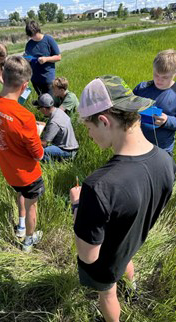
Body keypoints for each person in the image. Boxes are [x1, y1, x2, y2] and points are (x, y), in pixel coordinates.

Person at [70, 75, 175, 322]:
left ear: (104, 121)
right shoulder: (165, 160)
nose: (89, 135)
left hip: (108, 258)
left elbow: (88, 256)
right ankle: (133, 288)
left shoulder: (99, 187)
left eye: (88, 127)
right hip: (132, 241)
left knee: (106, 293)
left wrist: (77, 204)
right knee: (126, 258)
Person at [0, 55, 44, 252]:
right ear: (24, 86)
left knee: (20, 193)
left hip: (8, 171)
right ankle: (28, 240)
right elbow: (38, 155)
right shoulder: (25, 117)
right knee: (32, 203)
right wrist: (37, 133)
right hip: (28, 174)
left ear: (2, 76)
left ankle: (21, 225)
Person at [133, 49, 176, 154]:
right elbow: (129, 107)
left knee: (161, 170)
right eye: (156, 75)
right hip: (139, 143)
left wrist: (167, 120)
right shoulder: (142, 88)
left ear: (174, 73)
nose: (159, 80)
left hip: (163, 148)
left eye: (165, 77)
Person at [37, 93, 79, 162]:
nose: (39, 110)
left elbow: (44, 143)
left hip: (67, 151)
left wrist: (30, 140)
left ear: (44, 109)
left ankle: (51, 166)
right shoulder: (58, 111)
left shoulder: (54, 122)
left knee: (40, 151)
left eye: (39, 108)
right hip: (72, 146)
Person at [24, 20, 61, 98]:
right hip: (35, 79)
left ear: (38, 30)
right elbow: (27, 59)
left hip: (47, 79)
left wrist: (46, 59)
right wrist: (26, 59)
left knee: (50, 102)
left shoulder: (48, 40)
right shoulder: (29, 44)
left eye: (33, 35)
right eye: (30, 36)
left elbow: (58, 57)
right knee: (42, 101)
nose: (32, 37)